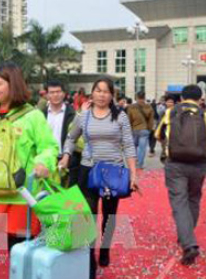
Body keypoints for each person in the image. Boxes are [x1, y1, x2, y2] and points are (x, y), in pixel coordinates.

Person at [0, 63, 58, 279]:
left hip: (19, 194)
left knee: (16, 251)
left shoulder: (32, 116)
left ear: (12, 84)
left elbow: (49, 146)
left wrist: (44, 163)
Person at [61, 77, 138, 279]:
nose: (102, 95)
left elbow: (129, 145)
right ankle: (89, 259)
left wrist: (133, 174)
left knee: (109, 216)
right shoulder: (84, 116)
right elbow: (70, 137)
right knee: (88, 216)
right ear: (92, 93)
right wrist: (67, 155)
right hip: (88, 171)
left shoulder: (120, 117)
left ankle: (104, 249)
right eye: (98, 91)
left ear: (112, 95)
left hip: (113, 172)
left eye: (106, 91)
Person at [155, 85, 206, 265]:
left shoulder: (170, 112)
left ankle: (188, 243)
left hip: (175, 164)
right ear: (200, 99)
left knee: (179, 201)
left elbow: (158, 133)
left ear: (181, 98)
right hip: (199, 165)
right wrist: (205, 148)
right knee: (193, 199)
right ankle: (186, 235)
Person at [41, 80, 77, 186]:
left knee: (66, 198)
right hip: (46, 160)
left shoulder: (72, 114)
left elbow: (74, 138)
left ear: (64, 93)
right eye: (52, 92)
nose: (55, 95)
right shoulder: (41, 114)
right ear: (47, 95)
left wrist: (67, 157)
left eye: (58, 92)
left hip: (66, 159)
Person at [127, 91, 155, 169]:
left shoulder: (131, 107)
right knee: (142, 148)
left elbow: (129, 119)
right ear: (144, 97)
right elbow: (151, 120)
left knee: (134, 147)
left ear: (136, 97)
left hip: (134, 129)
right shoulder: (149, 107)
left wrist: (130, 129)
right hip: (144, 130)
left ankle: (134, 162)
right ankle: (140, 165)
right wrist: (149, 129)